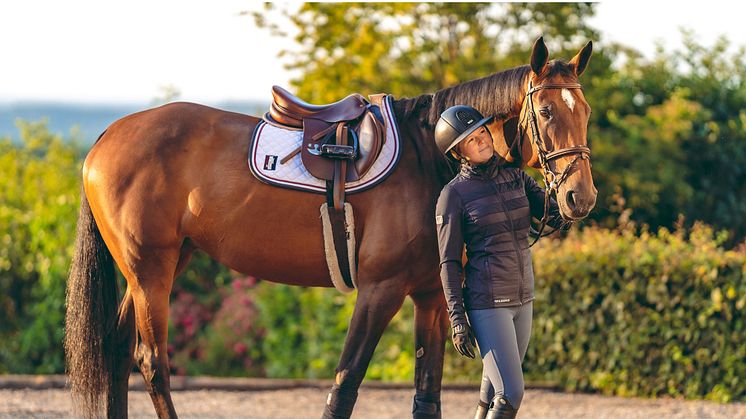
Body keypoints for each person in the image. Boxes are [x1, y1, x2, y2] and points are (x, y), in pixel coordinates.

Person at [434, 105, 564, 419]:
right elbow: (449, 262)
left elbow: (552, 215)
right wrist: (457, 319)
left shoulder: (516, 176)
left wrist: (567, 196)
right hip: (488, 303)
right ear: (459, 153)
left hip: (524, 297)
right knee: (511, 393)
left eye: (482, 133)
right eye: (471, 140)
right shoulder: (453, 195)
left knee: (493, 388)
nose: (482, 141)